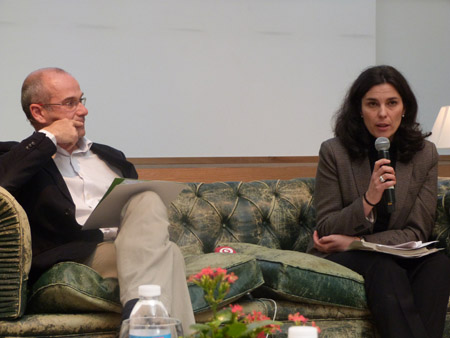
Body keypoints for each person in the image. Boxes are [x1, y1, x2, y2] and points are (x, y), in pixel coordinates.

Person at [0, 67, 195, 332]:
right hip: (80, 254)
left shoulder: (111, 157)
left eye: (81, 100)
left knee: (148, 201)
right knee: (169, 257)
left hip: (131, 246)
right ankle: (142, 321)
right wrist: (49, 138)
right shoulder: (20, 157)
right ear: (38, 112)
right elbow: (4, 182)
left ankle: (137, 319)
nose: (82, 110)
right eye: (70, 103)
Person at [308, 65, 450, 338]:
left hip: (376, 248)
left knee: (439, 265)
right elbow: (326, 228)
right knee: (385, 269)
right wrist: (368, 200)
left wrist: (357, 242)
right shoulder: (334, 152)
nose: (383, 113)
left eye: (392, 103)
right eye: (372, 104)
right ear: (359, 110)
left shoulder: (425, 154)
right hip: (343, 256)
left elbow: (417, 231)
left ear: (404, 108)